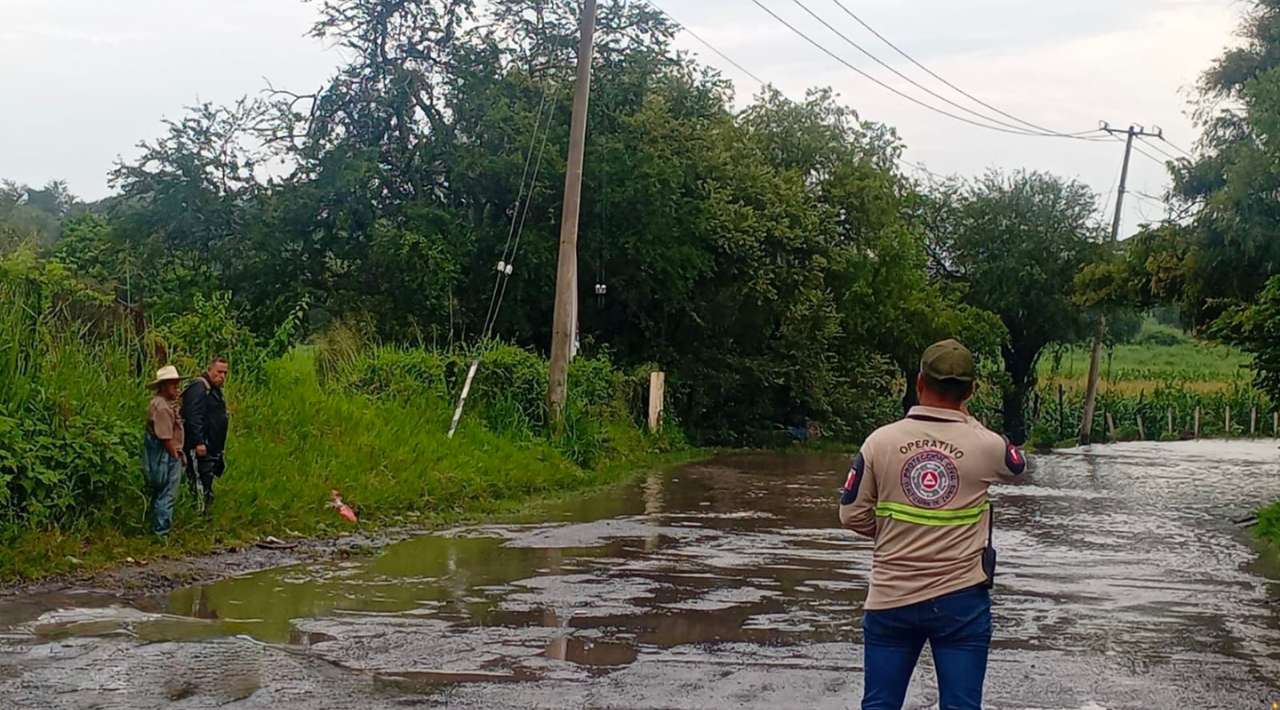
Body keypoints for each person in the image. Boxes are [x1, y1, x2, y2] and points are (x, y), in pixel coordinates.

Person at [839, 339, 1026, 709]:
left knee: (879, 704)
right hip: (961, 601)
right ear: (971, 390)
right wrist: (971, 423)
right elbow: (1017, 466)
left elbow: (851, 515)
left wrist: (898, 534)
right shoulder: (985, 445)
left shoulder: (880, 441)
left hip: (891, 596)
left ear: (919, 381)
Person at [181, 356, 229, 511]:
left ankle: (205, 514)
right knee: (199, 482)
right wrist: (199, 441)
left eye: (225, 373)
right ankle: (199, 514)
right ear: (209, 370)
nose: (222, 376)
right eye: (219, 372)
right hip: (200, 447)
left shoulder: (214, 391)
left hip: (212, 447)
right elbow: (193, 415)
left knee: (207, 481)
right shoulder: (199, 387)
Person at [144, 365, 185, 535]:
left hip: (159, 452)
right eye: (173, 385)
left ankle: (158, 527)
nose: (176, 388)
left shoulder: (159, 403)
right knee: (167, 492)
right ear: (163, 386)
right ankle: (162, 531)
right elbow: (165, 437)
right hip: (165, 454)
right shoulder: (162, 407)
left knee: (161, 491)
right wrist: (175, 455)